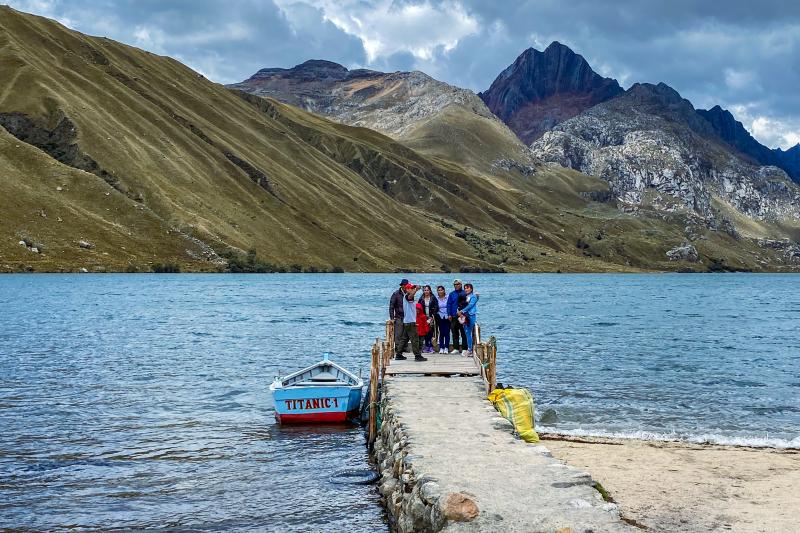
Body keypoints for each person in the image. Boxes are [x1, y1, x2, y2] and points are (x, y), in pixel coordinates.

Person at [395, 283, 427, 362]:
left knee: (404, 339)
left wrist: (415, 289)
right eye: (411, 288)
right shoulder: (407, 296)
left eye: (413, 288)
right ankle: (417, 355)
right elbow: (411, 296)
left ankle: (398, 354)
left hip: (408, 321)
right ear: (407, 289)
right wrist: (416, 289)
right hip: (410, 322)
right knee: (415, 339)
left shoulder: (407, 297)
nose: (412, 289)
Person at [459, 283, 480, 356]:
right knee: (467, 333)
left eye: (467, 288)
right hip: (465, 316)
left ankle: (470, 349)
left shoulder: (473, 296)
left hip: (471, 315)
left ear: (471, 289)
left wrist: (462, 310)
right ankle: (469, 348)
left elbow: (471, 305)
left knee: (469, 332)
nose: (466, 290)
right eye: (465, 288)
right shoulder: (466, 296)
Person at [447, 279, 466, 354]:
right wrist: (449, 314)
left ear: (461, 284)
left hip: (462, 316)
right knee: (454, 333)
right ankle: (456, 348)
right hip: (454, 316)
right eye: (455, 284)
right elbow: (449, 304)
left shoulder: (465, 293)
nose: (456, 285)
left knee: (463, 332)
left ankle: (465, 348)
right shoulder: (452, 294)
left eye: (458, 284)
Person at [417, 285, 438, 353]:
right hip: (423, 317)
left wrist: (432, 317)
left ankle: (431, 347)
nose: (426, 291)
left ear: (430, 291)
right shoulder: (421, 298)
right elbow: (418, 308)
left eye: (427, 290)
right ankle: (426, 346)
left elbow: (436, 307)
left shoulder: (433, 298)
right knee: (425, 332)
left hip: (431, 317)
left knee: (431, 332)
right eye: (425, 290)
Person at [389, 278, 408, 349]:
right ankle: (398, 349)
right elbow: (391, 306)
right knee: (398, 334)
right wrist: (392, 318)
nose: (406, 286)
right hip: (398, 317)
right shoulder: (396, 294)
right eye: (405, 285)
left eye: (407, 285)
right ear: (402, 286)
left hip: (407, 317)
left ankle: (404, 348)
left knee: (406, 334)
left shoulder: (409, 293)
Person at [435, 285, 450, 354]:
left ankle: (446, 347)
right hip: (439, 316)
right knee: (441, 332)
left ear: (444, 290)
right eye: (439, 290)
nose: (440, 291)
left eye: (441, 290)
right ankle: (441, 347)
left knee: (447, 332)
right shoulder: (436, 298)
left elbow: (450, 306)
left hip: (447, 316)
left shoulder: (448, 297)